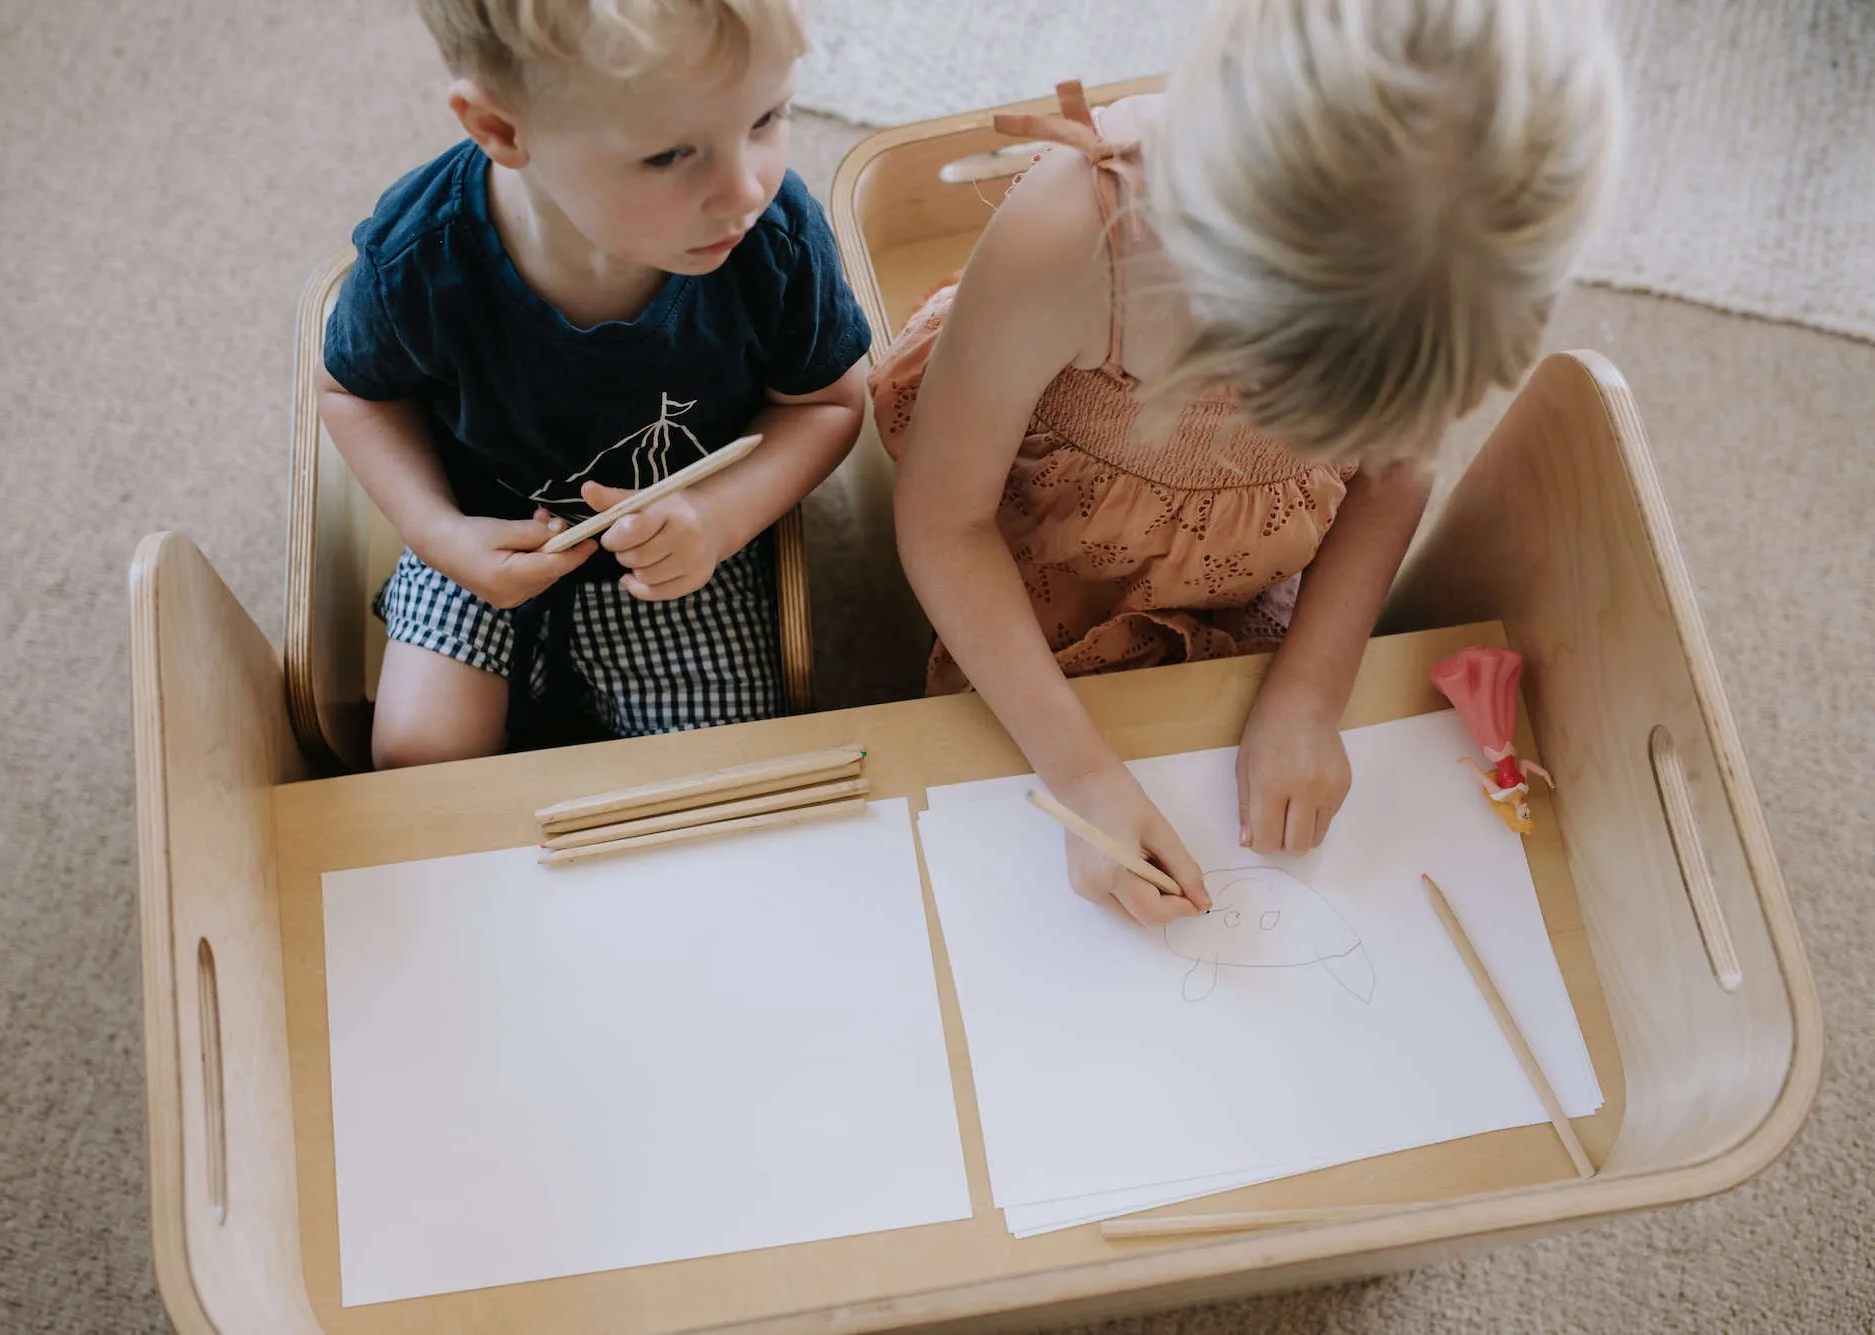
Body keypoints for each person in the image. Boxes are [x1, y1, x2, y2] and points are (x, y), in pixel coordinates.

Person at [874, 0, 1620, 924]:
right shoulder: (1069, 237)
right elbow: (947, 522)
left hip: (1241, 565)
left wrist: (1311, 692)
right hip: (1037, 559)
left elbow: (1394, 472)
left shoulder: (1426, 284)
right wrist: (1080, 776)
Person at [320, 0, 870, 767]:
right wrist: (439, 533)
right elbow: (353, 394)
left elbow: (830, 402)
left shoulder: (772, 239)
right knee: (419, 762)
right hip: (483, 536)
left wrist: (716, 521)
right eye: (671, 155)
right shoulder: (419, 256)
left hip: (682, 554)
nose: (745, 189)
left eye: (768, 117)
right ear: (502, 130)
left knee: (724, 782)